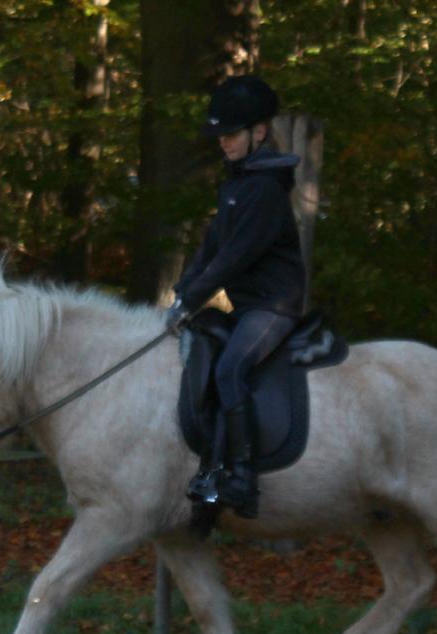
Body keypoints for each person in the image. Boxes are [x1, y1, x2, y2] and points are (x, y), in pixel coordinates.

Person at [165, 75, 305, 519]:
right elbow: (210, 249)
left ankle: (242, 478)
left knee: (231, 368)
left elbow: (235, 257)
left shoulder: (264, 189)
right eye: (220, 135)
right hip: (246, 307)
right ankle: (209, 465)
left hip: (273, 305)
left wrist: (194, 299)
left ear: (258, 132)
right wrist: (182, 294)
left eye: (230, 134)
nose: (222, 142)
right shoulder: (236, 185)